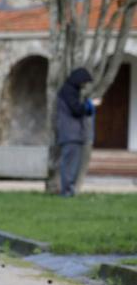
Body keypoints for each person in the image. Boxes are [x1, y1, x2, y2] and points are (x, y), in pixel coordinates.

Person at [56, 67, 99, 197]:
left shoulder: (69, 91)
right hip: (71, 134)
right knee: (70, 164)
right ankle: (67, 191)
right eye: (84, 82)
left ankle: (69, 190)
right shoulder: (68, 92)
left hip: (72, 134)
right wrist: (91, 105)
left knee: (71, 164)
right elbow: (77, 110)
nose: (84, 85)